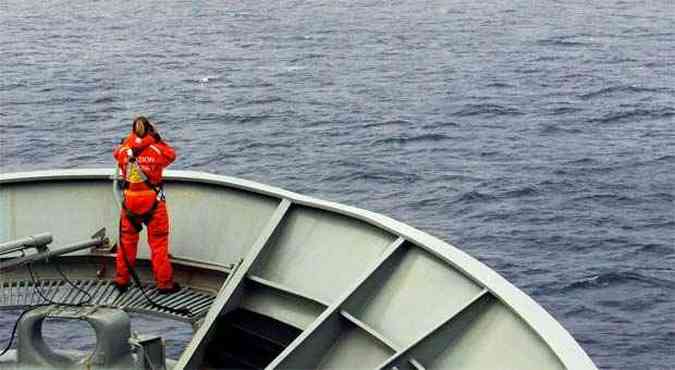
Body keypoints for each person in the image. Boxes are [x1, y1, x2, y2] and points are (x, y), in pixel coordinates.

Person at [113, 116, 180, 294]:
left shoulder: (124, 150)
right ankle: (164, 285)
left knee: (126, 243)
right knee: (158, 245)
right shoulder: (157, 149)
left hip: (130, 202)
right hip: (153, 201)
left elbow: (117, 153)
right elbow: (171, 155)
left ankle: (121, 280)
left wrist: (131, 140)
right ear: (150, 130)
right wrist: (156, 138)